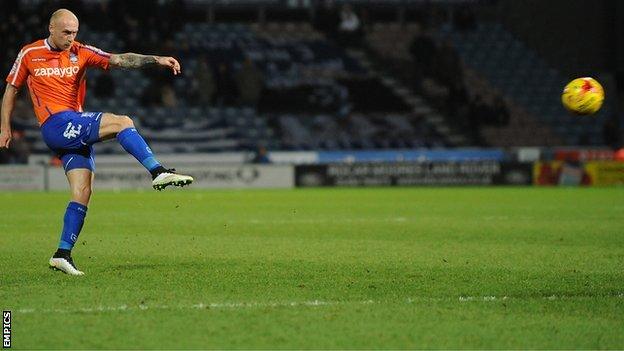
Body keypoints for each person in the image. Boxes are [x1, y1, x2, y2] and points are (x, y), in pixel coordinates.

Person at [0, 9, 193, 276]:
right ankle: (157, 172)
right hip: (55, 124)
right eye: (66, 32)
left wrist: (157, 59)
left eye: (75, 32)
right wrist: (4, 127)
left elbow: (121, 60)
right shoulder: (30, 53)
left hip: (73, 126)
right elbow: (11, 89)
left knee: (83, 191)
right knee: (123, 121)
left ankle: (62, 254)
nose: (71, 38)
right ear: (51, 29)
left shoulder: (81, 51)